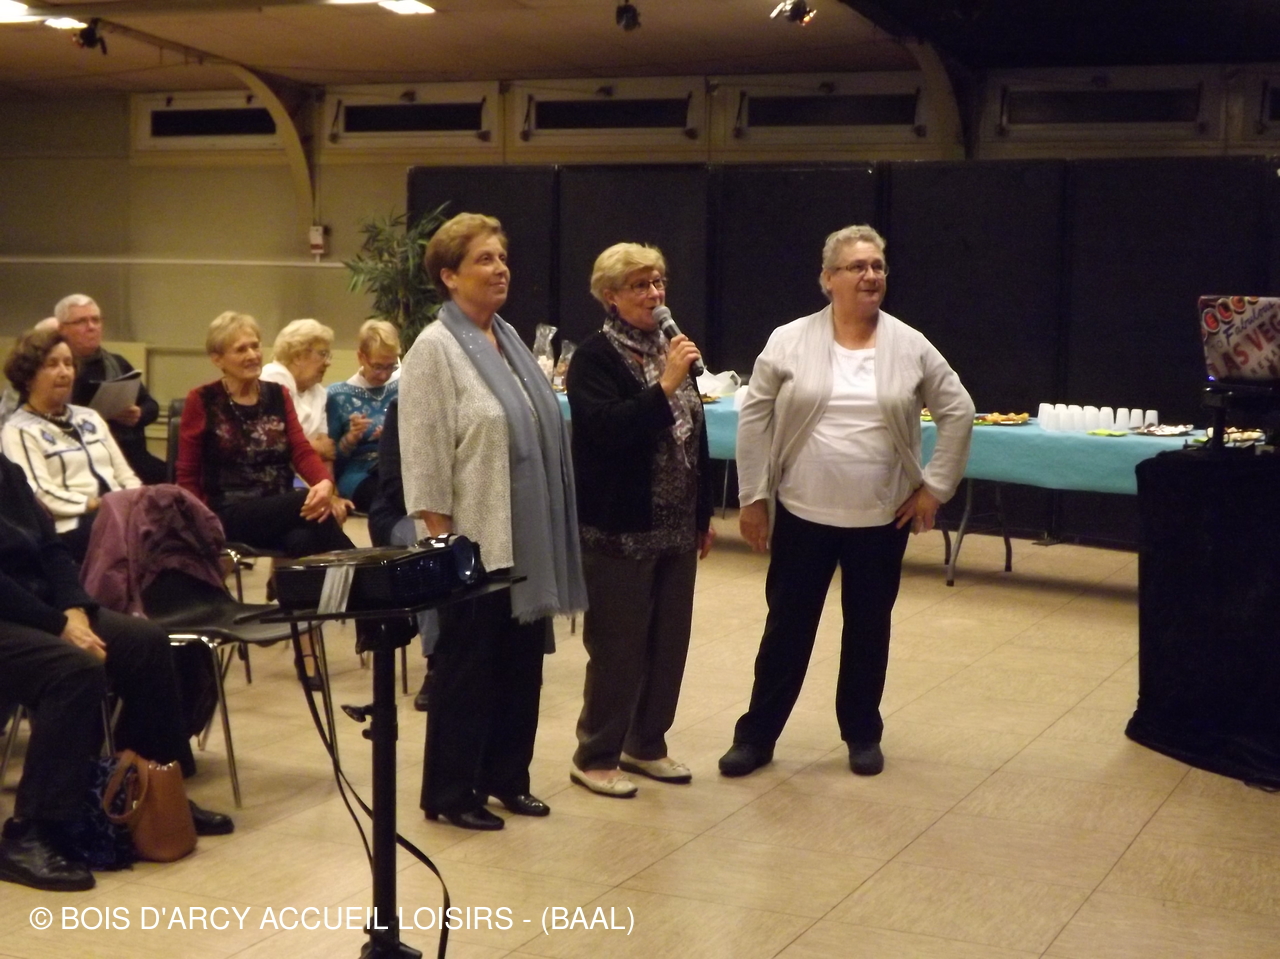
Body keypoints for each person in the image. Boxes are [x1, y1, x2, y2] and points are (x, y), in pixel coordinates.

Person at [718, 225, 974, 779]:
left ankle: (861, 733)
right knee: (787, 630)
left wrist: (934, 488)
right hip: (802, 514)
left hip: (881, 519)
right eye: (857, 267)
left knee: (868, 629)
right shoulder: (789, 339)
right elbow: (754, 418)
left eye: (878, 266)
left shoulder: (910, 344)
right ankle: (756, 737)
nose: (870, 275)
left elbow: (959, 411)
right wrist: (753, 497)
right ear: (828, 279)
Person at [400, 212, 587, 831]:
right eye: (484, 259)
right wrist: (443, 543)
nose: (500, 268)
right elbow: (424, 457)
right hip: (472, 541)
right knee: (468, 673)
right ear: (449, 276)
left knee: (520, 666)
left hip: (526, 537)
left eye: (502, 257)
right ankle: (452, 792)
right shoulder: (434, 349)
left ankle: (508, 777)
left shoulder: (509, 342)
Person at [0, 451, 233, 893]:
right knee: (72, 668)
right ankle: (32, 831)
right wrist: (57, 624)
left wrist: (74, 607)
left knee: (145, 643)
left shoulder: (5, 469)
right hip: (13, 615)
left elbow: (51, 548)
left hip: (42, 608)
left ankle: (148, 790)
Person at [565, 242, 715, 798]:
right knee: (619, 648)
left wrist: (701, 514)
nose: (655, 294)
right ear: (611, 297)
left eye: (659, 283)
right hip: (619, 528)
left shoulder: (672, 349)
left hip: (675, 523)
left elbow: (696, 439)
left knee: (668, 645)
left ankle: (646, 744)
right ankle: (596, 754)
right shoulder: (594, 358)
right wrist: (667, 384)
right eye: (640, 285)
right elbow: (608, 430)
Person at [176, 312, 353, 688]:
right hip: (226, 512)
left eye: (255, 346)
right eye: (240, 349)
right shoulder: (202, 400)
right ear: (218, 358)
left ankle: (305, 651)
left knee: (304, 537)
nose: (252, 355)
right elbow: (187, 476)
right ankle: (365, 588)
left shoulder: (277, 395)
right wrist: (199, 526)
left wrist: (324, 484)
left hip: (282, 511)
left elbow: (301, 451)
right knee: (304, 504)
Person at [2, 328, 142, 563]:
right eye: (52, 364)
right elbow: (39, 493)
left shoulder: (90, 417)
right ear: (28, 377)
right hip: (71, 525)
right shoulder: (19, 430)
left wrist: (136, 500)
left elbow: (124, 473)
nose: (64, 372)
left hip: (119, 511)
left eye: (68, 364)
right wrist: (95, 504)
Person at [55, 294, 167, 485]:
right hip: (82, 461)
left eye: (96, 320)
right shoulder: (58, 371)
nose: (91, 327)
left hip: (132, 457)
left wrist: (139, 414)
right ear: (62, 329)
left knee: (179, 486)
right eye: (81, 321)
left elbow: (151, 406)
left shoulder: (118, 363)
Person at [326, 319, 400, 512]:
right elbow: (329, 459)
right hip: (359, 473)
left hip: (399, 468)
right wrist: (350, 439)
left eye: (391, 366)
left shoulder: (404, 386)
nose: (384, 375)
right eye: (377, 366)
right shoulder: (337, 395)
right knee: (387, 498)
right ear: (361, 357)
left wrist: (392, 438)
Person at [260, 318, 337, 465]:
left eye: (328, 355)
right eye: (323, 354)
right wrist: (315, 448)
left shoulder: (318, 392)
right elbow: (275, 442)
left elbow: (327, 449)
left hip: (307, 471)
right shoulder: (272, 379)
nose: (328, 362)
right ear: (297, 356)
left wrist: (327, 481)